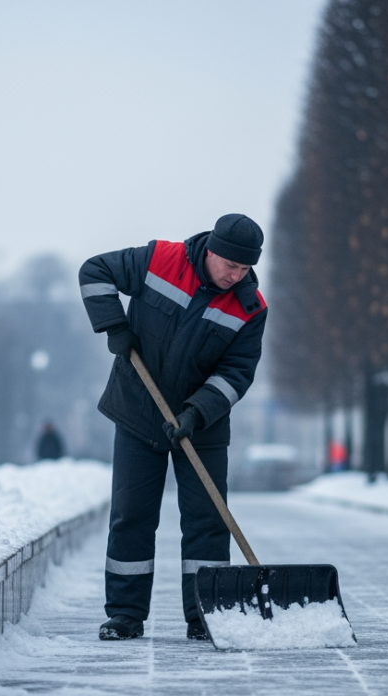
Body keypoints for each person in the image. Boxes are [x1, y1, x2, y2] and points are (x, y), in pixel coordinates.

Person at [79, 214, 267, 642]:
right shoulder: (160, 260)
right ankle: (125, 614)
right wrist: (114, 325)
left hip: (203, 426)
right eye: (230, 266)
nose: (235, 276)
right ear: (212, 250)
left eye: (244, 269)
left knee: (207, 521)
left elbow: (236, 373)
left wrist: (196, 413)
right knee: (131, 515)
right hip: (137, 410)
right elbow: (94, 271)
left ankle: (205, 614)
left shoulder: (250, 308)